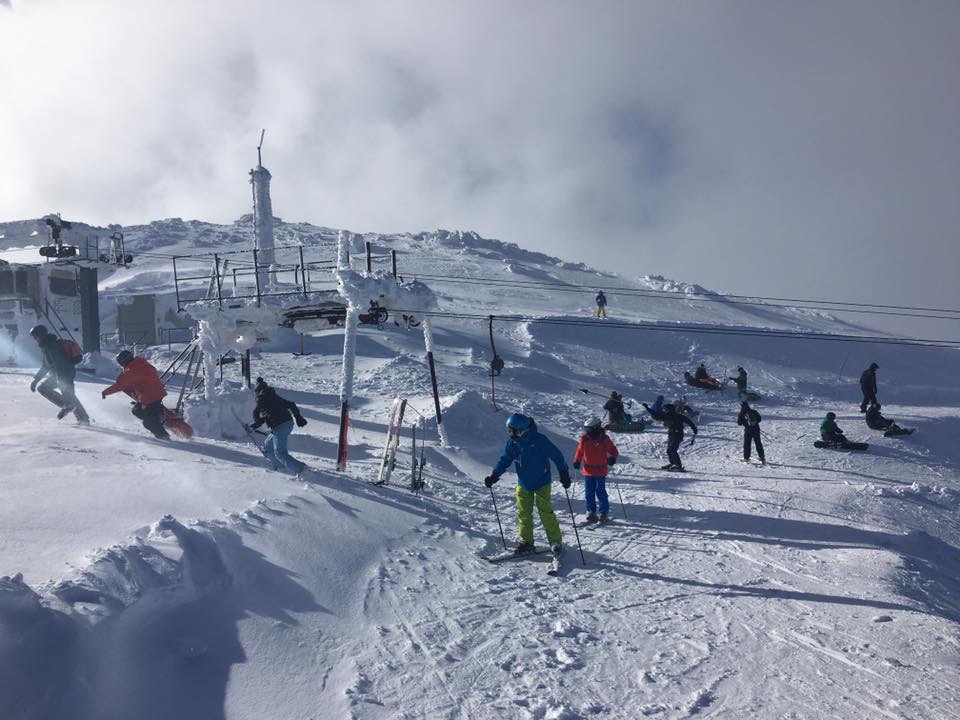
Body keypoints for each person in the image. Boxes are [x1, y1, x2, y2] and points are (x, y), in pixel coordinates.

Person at [484, 413, 570, 556]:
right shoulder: (512, 443)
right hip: (523, 483)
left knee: (545, 512)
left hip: (542, 482)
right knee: (524, 513)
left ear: (520, 430)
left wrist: (563, 472)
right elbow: (505, 459)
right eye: (508, 431)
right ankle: (526, 542)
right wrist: (494, 475)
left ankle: (555, 541)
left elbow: (557, 456)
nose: (509, 434)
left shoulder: (540, 440)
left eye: (511, 431)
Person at [28, 324, 90, 425]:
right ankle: (81, 416)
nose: (35, 339)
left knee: (48, 390)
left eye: (35, 336)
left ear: (41, 335)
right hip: (59, 375)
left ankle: (70, 408)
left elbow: (60, 365)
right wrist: (36, 380)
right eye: (34, 337)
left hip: (63, 375)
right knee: (69, 396)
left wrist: (60, 380)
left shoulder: (52, 346)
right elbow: (45, 366)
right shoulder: (46, 346)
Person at [101, 350, 170, 440]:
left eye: (120, 363)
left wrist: (106, 392)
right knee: (137, 410)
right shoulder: (141, 363)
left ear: (124, 361)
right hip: (151, 394)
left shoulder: (134, 370)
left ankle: (164, 436)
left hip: (151, 397)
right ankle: (157, 417)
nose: (121, 365)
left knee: (148, 422)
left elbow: (120, 384)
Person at [249, 377, 308, 478]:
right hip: (288, 423)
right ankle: (281, 467)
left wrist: (254, 426)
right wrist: (298, 417)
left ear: (257, 391)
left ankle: (301, 470)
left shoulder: (261, 398)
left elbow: (256, 414)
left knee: (280, 453)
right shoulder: (274, 396)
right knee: (268, 446)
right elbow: (291, 405)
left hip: (280, 426)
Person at [572, 417, 619, 522]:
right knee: (589, 492)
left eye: (589, 429)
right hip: (588, 470)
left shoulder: (604, 439)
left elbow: (613, 450)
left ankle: (603, 512)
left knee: (600, 491)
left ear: (596, 428)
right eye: (586, 429)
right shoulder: (585, 438)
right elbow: (580, 451)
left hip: (600, 470)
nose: (587, 432)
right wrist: (577, 461)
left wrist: (612, 458)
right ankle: (591, 511)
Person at [660, 404, 698, 470]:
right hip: (671, 434)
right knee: (669, 450)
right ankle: (673, 463)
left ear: (669, 409)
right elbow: (658, 417)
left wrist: (694, 429)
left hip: (678, 435)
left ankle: (678, 466)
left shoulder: (678, 416)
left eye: (665, 409)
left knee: (673, 450)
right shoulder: (667, 416)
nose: (664, 410)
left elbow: (689, 421)